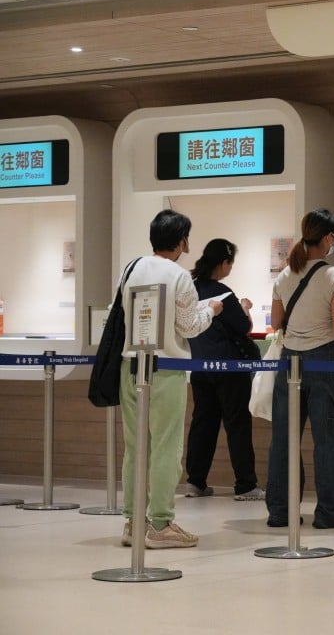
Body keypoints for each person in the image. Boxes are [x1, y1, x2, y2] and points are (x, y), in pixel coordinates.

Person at [119, 210, 223, 548]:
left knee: (135, 447)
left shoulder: (131, 268)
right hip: (166, 367)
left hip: (130, 364)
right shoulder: (179, 276)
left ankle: (133, 522)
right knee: (165, 447)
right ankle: (160, 524)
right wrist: (212, 311)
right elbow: (189, 326)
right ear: (181, 241)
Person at [265, 208, 334, 529]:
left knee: (284, 438)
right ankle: (327, 512)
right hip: (322, 362)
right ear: (328, 237)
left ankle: (281, 511)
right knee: (326, 439)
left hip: (289, 362)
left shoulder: (284, 276)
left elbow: (276, 323)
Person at [184, 239, 265, 502]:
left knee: (202, 424)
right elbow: (242, 327)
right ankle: (245, 485)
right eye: (231, 263)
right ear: (224, 263)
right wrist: (244, 307)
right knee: (237, 424)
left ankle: (195, 482)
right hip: (231, 369)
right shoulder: (224, 293)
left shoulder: (190, 290)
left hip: (200, 367)